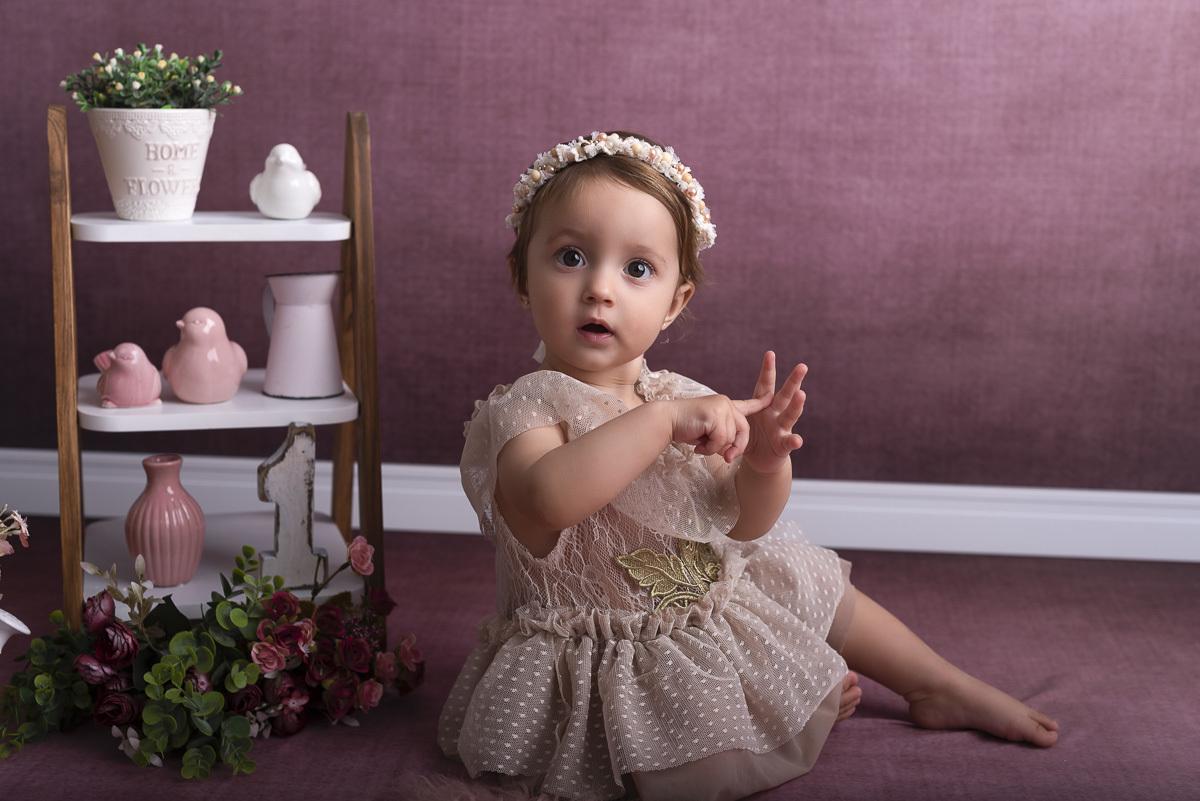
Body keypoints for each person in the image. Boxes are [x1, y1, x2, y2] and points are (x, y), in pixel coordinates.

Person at [438, 131, 1058, 801]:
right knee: (694, 765)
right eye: (571, 256)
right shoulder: (525, 408)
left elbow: (741, 522)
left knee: (801, 575)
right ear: (522, 278)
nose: (599, 289)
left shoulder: (673, 395)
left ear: (676, 300)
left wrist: (762, 464)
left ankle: (936, 681)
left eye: (637, 269)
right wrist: (660, 425)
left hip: (696, 606)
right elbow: (547, 499)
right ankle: (787, 704)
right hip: (603, 647)